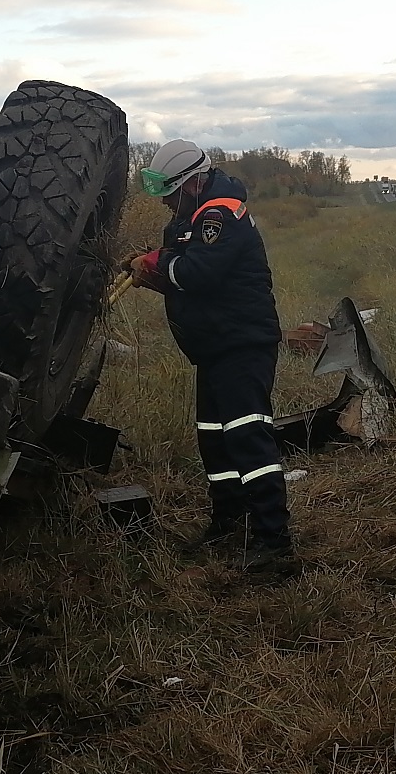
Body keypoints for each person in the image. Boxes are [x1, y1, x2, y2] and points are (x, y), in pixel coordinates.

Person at [125, 140, 295, 571]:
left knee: (248, 439)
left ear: (194, 183)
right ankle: (229, 523)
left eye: (171, 192)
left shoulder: (220, 214)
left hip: (241, 346)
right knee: (215, 442)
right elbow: (184, 275)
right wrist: (153, 271)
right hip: (214, 348)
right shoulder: (191, 218)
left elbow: (197, 272)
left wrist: (156, 264)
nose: (165, 201)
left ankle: (274, 544)